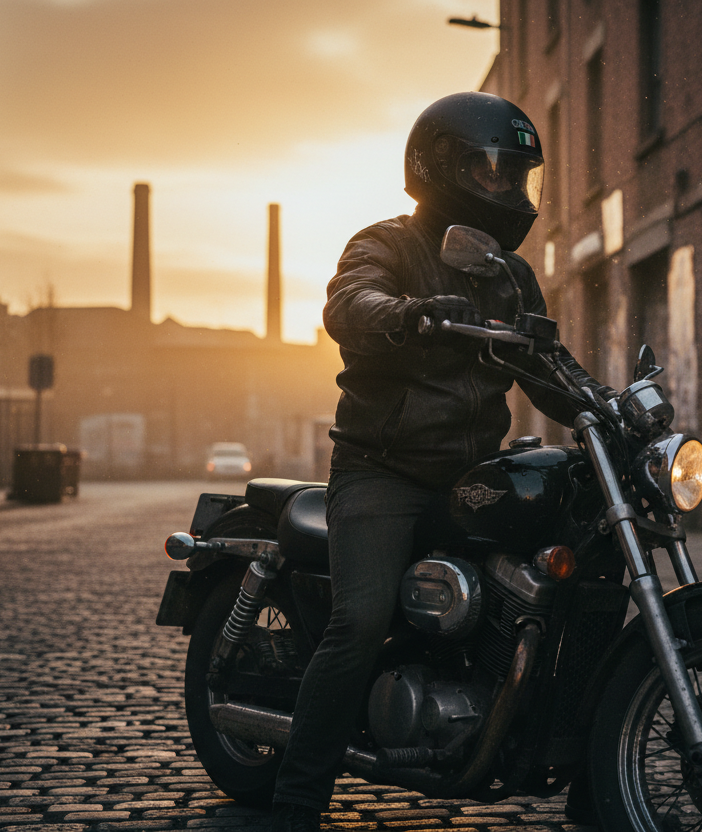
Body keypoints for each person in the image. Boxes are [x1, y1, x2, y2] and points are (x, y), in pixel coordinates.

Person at [270, 92, 612, 832]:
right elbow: (347, 302)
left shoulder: (509, 276)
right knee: (358, 620)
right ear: (437, 168)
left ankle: (598, 780)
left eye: (518, 174)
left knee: (577, 587)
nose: (506, 188)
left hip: (468, 476)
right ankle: (297, 801)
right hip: (382, 470)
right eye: (490, 170)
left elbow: (545, 365)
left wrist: (604, 404)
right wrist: (401, 314)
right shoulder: (387, 245)